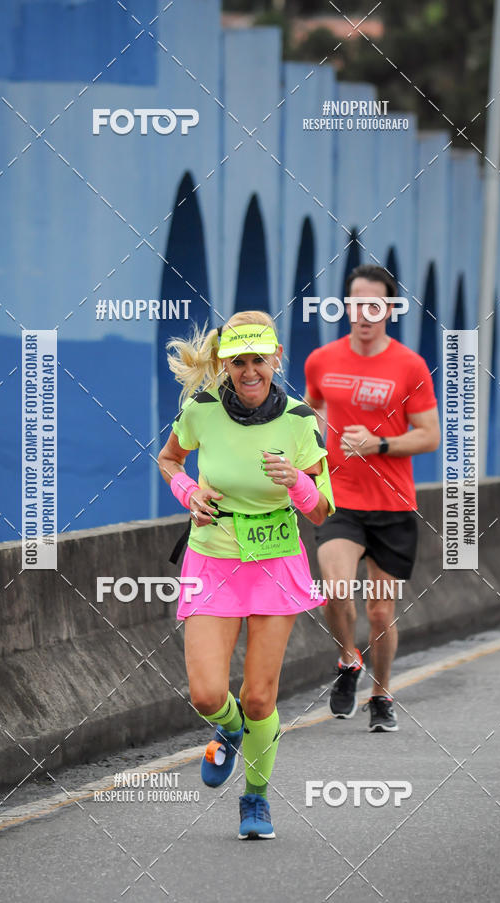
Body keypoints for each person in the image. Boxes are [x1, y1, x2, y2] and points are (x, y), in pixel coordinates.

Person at [157, 310, 335, 840]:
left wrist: (297, 484)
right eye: (238, 361)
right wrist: (189, 492)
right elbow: (169, 460)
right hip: (213, 557)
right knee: (208, 694)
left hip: (277, 559)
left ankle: (255, 799)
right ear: (225, 364)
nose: (249, 370)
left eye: (259, 359)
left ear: (276, 359)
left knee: (261, 697)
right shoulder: (202, 410)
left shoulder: (301, 419)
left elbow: (323, 509)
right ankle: (228, 729)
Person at [304, 264, 440, 731]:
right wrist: (304, 471)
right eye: (356, 303)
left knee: (380, 610)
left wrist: (379, 444)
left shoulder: (410, 365)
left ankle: (382, 694)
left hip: (393, 505)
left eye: (375, 304)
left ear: (390, 309)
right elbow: (311, 422)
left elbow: (429, 436)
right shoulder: (321, 361)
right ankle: (347, 660)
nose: (364, 313)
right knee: (336, 589)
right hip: (341, 501)